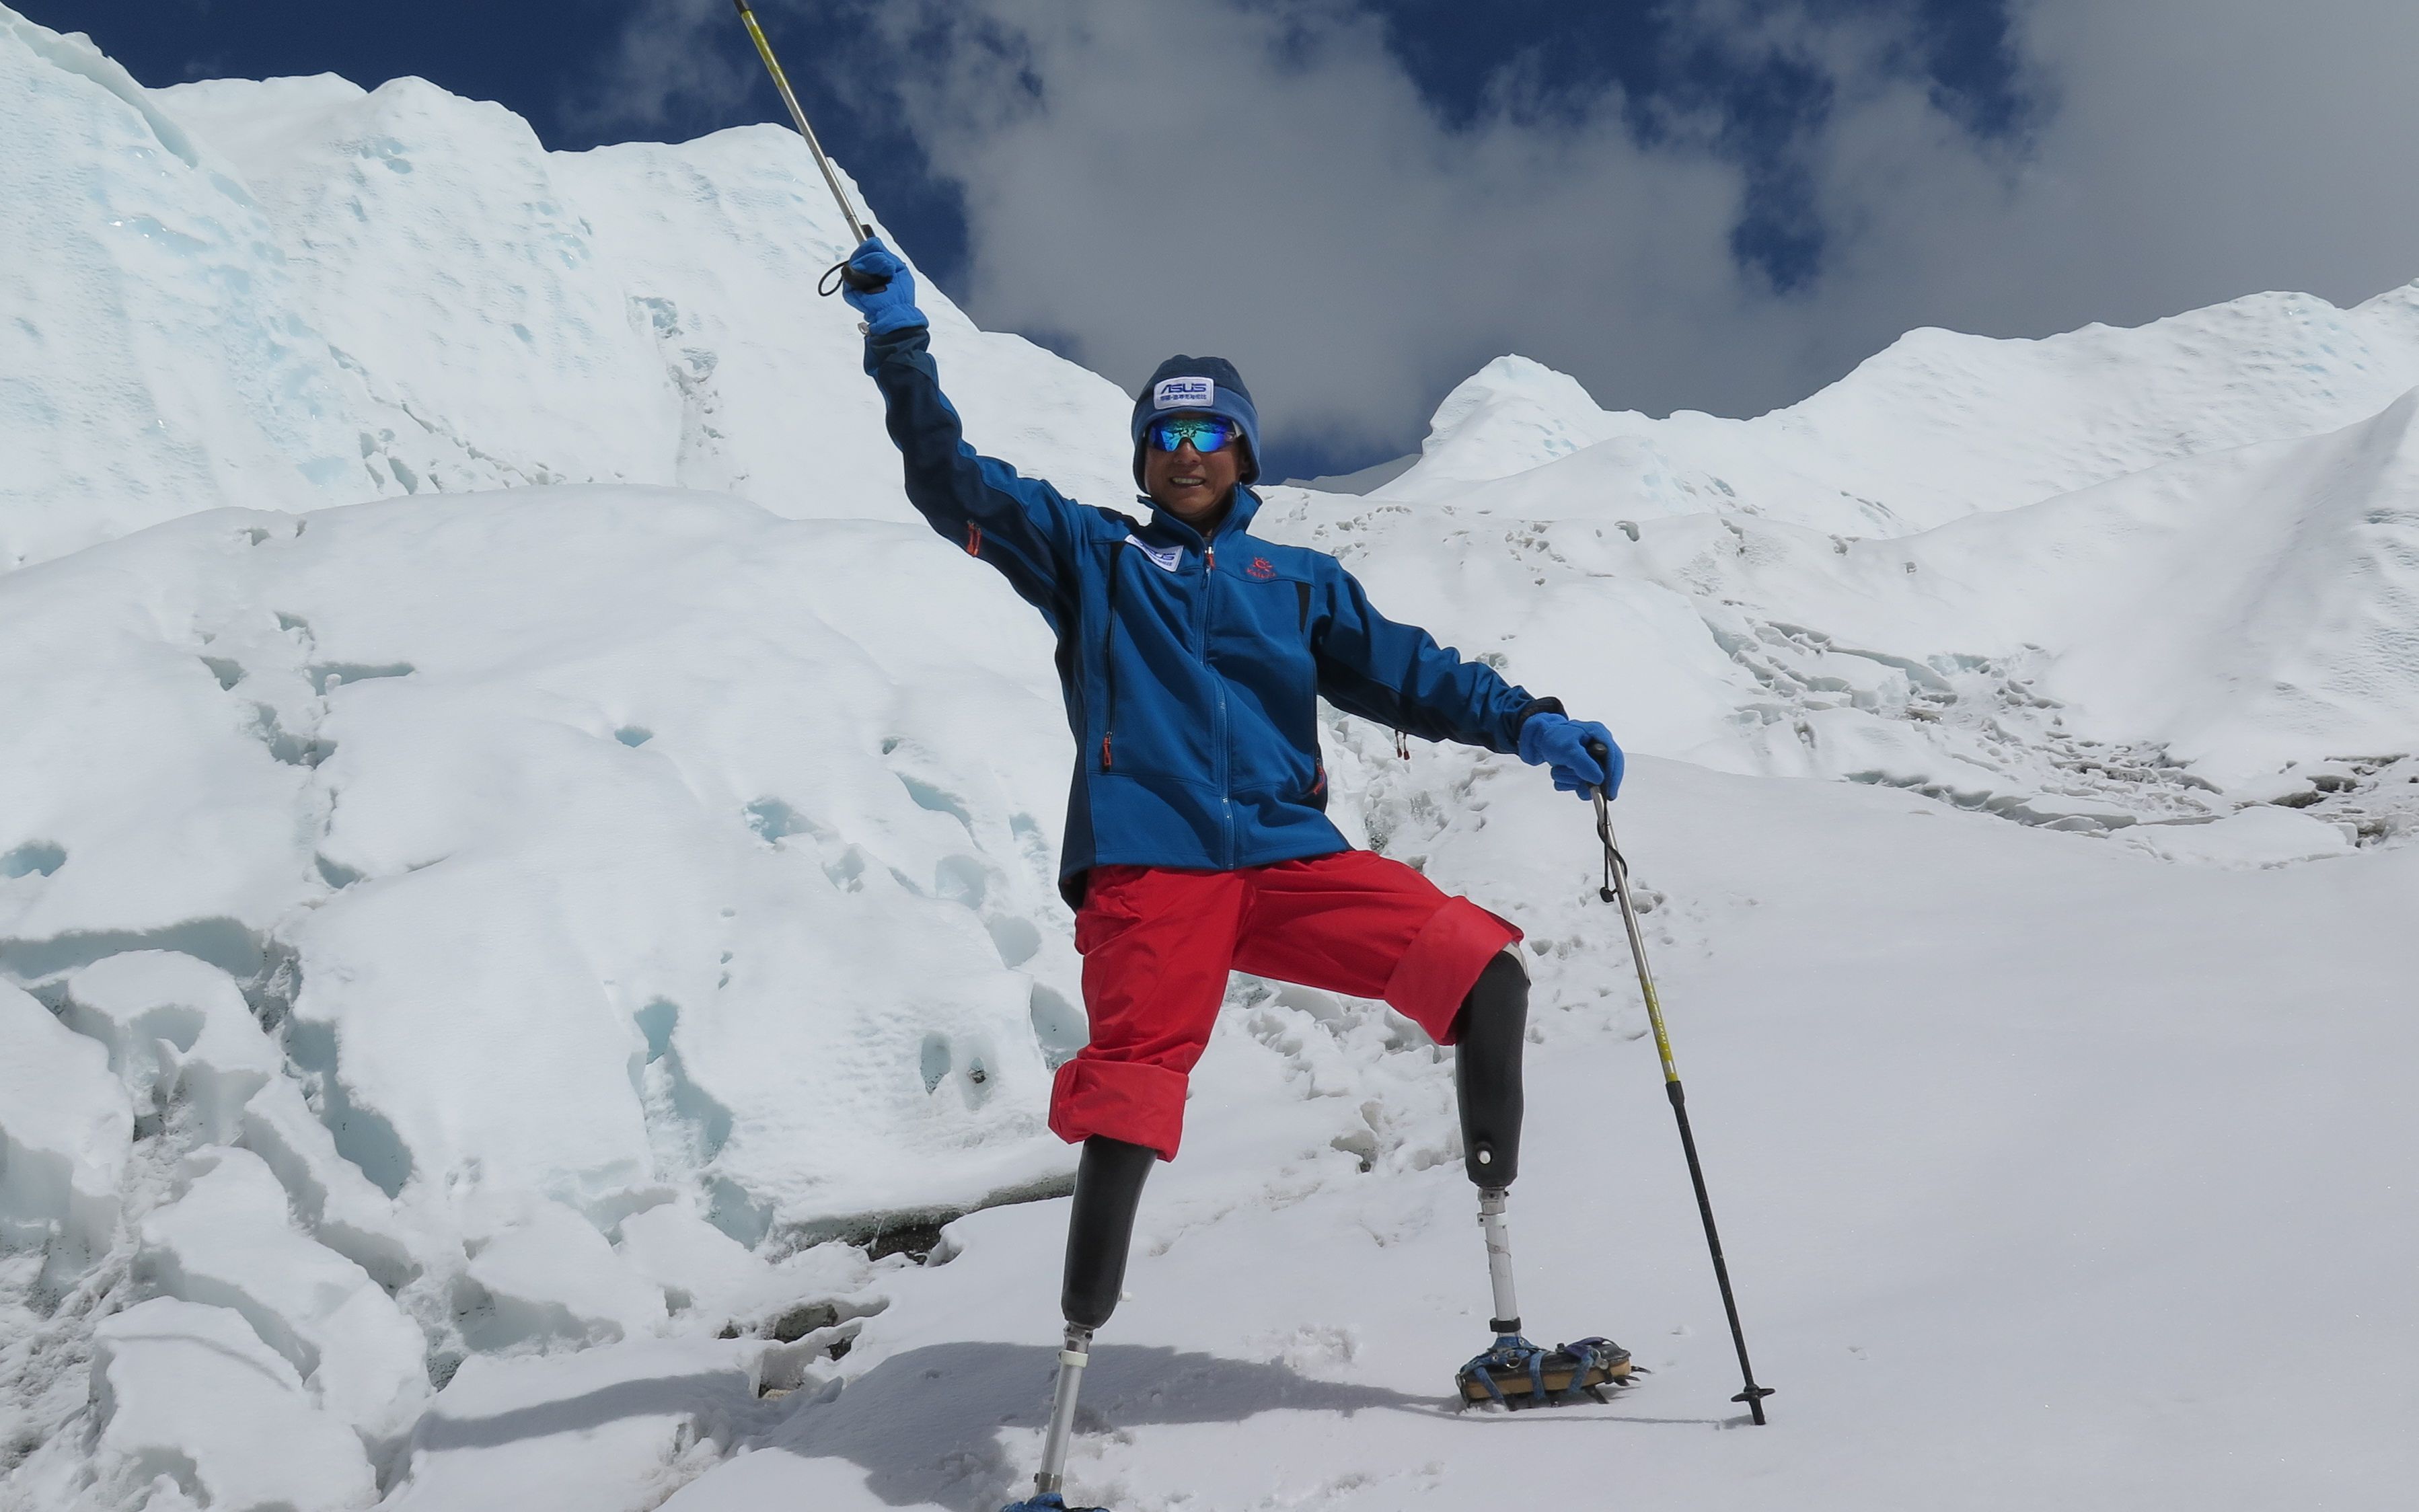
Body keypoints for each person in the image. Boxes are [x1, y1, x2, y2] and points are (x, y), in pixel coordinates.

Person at [841, 238, 1627, 1508]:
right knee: (1132, 1099)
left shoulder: (1294, 583)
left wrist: (1528, 719)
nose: (1189, 455)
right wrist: (899, 341)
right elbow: (952, 482)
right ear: (1145, 460)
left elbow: (1416, 674)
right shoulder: (1093, 557)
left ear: (1246, 456)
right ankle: (1053, 1432)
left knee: (1486, 975)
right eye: (1167, 439)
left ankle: (1505, 1326)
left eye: (1212, 437)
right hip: (1152, 864)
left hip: (1289, 859)